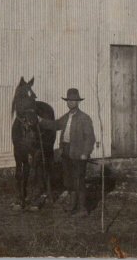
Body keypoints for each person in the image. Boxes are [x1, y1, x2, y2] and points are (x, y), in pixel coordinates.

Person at [38, 87, 96, 215]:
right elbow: (56, 124)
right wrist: (41, 121)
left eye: (73, 100)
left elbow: (90, 138)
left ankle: (82, 209)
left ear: (78, 102)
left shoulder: (84, 118)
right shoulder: (66, 117)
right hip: (66, 151)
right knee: (68, 181)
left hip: (78, 153)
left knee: (79, 180)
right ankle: (72, 206)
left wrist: (85, 153)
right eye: (68, 100)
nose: (70, 102)